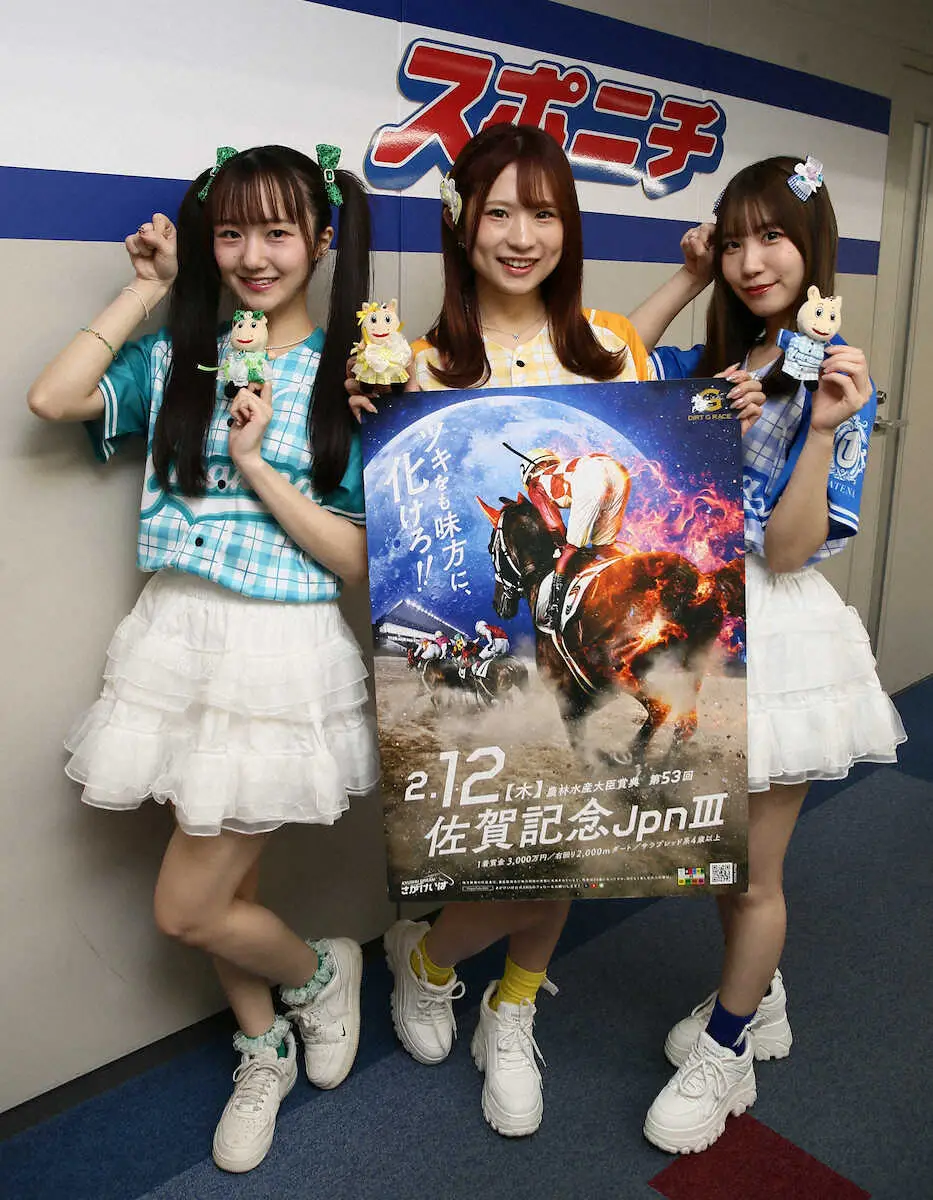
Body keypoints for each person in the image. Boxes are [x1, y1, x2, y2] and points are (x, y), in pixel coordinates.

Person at [348, 122, 764, 1139]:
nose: (521, 236)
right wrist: (368, 417)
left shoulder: (611, 348)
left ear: (568, 227)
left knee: (570, 829)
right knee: (511, 830)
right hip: (492, 622)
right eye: (499, 213)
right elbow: (394, 511)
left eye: (543, 213)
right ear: (463, 225)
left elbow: (650, 443)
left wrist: (730, 419)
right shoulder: (418, 364)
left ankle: (512, 1006)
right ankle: (430, 960)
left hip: (586, 588)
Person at [27, 144, 379, 1174]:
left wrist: (256, 464)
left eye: (277, 232)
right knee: (226, 878)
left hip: (280, 647)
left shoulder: (354, 378)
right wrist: (148, 289)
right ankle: (263, 1041)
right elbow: (53, 398)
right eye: (230, 233)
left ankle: (320, 973)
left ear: (321, 240)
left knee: (187, 908)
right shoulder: (185, 359)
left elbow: (356, 559)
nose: (253, 256)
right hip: (178, 637)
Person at [628, 155, 907, 1154]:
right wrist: (687, 279)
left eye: (772, 237)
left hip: (777, 629)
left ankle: (727, 1051)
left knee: (752, 875)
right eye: (734, 241)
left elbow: (788, 551)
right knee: (717, 856)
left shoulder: (839, 378)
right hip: (694, 622)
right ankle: (763, 996)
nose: (752, 261)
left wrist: (820, 430)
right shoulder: (717, 360)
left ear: (812, 244)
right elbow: (616, 364)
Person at [518, 448, 632, 628]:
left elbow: (554, 523)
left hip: (591, 477)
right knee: (604, 546)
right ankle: (638, 569)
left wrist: (562, 544)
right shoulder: (563, 468)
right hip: (617, 471)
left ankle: (554, 611)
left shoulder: (535, 485)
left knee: (567, 554)